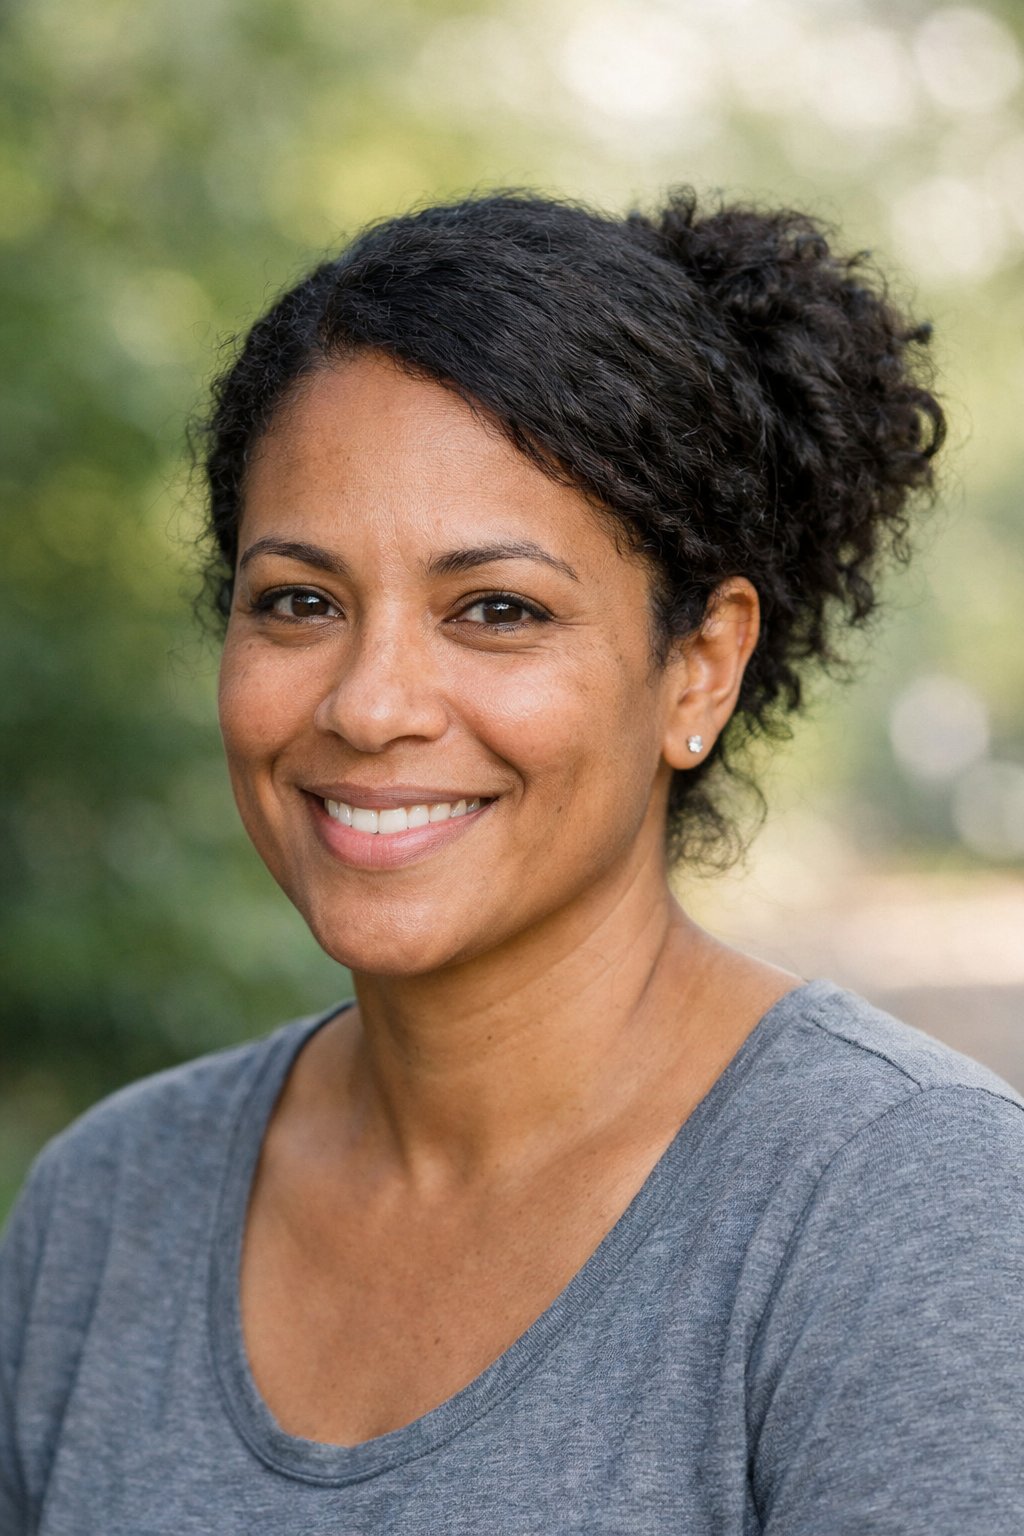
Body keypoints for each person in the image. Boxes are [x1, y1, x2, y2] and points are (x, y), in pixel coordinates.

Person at [2, 188, 1022, 1535]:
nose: (370, 706)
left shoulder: (907, 1215)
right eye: (299, 602)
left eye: (497, 610)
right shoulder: (106, 1208)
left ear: (697, 668)